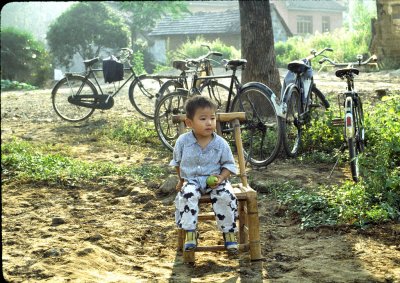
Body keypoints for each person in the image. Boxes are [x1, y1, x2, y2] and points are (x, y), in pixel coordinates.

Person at [170, 96, 239, 254]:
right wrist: (181, 180)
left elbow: (228, 164)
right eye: (203, 119)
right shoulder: (183, 142)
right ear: (189, 123)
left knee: (226, 195)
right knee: (187, 195)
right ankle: (190, 233)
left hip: (216, 181)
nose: (209, 122)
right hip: (192, 181)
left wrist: (221, 178)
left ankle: (229, 233)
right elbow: (177, 163)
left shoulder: (220, 143)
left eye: (212, 118)